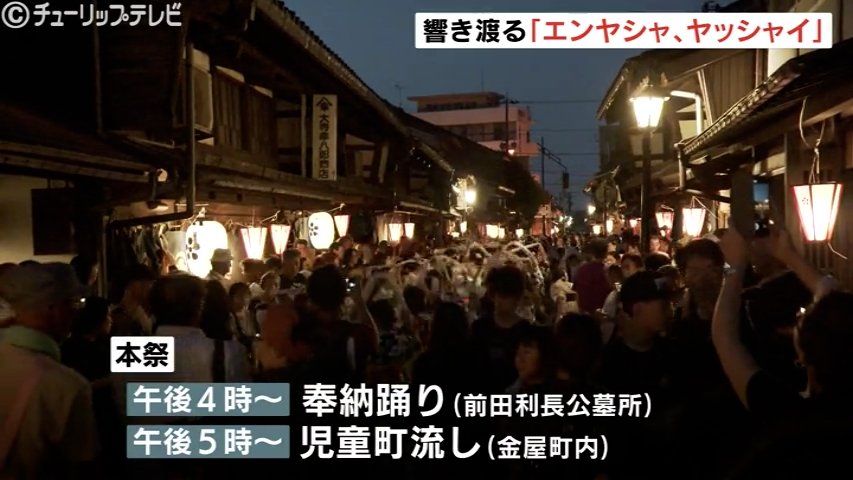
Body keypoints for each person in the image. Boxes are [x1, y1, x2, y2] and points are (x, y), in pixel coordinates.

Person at [0, 263, 98, 478]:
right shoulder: (68, 387)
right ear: (53, 308)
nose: (77, 311)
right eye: (75, 302)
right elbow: (81, 468)